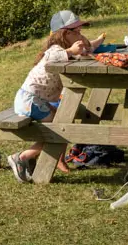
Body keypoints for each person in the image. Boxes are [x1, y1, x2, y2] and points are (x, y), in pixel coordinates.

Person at [6, 10, 105, 183]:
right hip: (30, 100)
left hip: (39, 100)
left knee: (64, 119)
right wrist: (71, 50)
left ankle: (53, 160)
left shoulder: (68, 49)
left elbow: (88, 47)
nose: (81, 35)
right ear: (66, 34)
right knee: (60, 129)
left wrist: (98, 41)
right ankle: (21, 158)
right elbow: (53, 57)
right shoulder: (55, 50)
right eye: (77, 32)